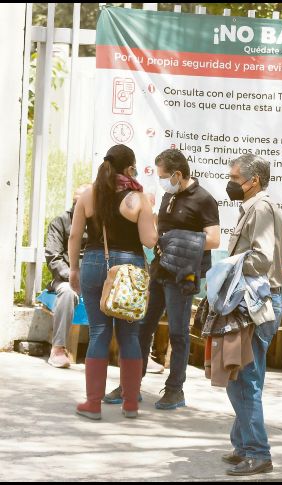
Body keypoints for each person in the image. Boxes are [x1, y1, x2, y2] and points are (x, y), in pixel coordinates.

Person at [103, 149, 220, 410]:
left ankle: (175, 390)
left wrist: (179, 241)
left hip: (183, 275)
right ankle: (130, 384)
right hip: (159, 270)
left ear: (178, 174)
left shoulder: (204, 200)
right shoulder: (169, 195)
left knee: (179, 334)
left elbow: (213, 239)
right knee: (142, 327)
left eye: (164, 176)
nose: (161, 181)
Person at [68, 144, 158, 420]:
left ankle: (93, 404)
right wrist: (153, 217)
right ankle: (130, 403)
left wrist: (73, 270)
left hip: (96, 263)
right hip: (129, 268)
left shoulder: (88, 194)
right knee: (129, 335)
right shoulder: (138, 198)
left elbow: (74, 237)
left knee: (98, 332)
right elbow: (149, 241)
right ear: (130, 168)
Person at [220, 154, 282, 476]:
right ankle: (243, 445)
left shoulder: (260, 208)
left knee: (245, 378)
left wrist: (226, 269)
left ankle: (258, 453)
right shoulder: (254, 208)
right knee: (241, 376)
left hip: (256, 300)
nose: (230, 183)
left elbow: (260, 258)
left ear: (253, 180)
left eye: (234, 178)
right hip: (254, 300)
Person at [45, 184, 90, 368]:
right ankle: (58, 349)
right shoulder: (60, 222)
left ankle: (136, 353)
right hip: (65, 279)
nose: (77, 206)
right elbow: (53, 257)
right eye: (75, 202)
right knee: (67, 292)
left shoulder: (100, 225)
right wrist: (72, 276)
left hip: (95, 278)